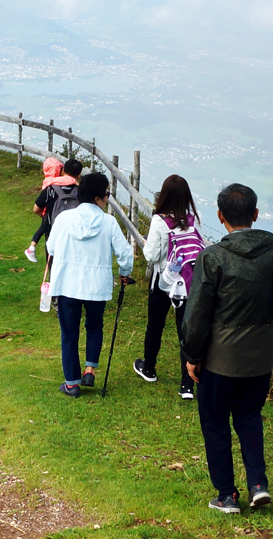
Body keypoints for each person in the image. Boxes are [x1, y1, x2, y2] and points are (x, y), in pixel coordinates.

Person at [181, 182, 273, 514]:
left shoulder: (213, 257)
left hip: (218, 359)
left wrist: (192, 356)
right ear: (255, 214)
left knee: (215, 421)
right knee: (249, 417)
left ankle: (226, 495)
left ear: (220, 216)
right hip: (259, 358)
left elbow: (196, 315)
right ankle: (257, 484)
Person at [45, 170, 134, 397]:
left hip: (67, 284)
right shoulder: (109, 223)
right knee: (94, 327)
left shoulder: (64, 218)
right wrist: (124, 273)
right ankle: (90, 370)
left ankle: (72, 384)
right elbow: (125, 255)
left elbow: (52, 248)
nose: (107, 198)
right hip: (96, 286)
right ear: (97, 198)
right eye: (106, 194)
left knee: (69, 334)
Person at [134, 174, 205, 399]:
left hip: (164, 281)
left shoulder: (159, 221)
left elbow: (152, 255)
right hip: (188, 284)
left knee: (155, 325)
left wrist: (146, 245)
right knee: (186, 332)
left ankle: (149, 369)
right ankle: (187, 385)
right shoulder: (195, 217)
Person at [25, 156, 78, 262]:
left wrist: (43, 215)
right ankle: (31, 248)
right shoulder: (78, 190)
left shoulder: (50, 185)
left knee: (51, 258)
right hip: (72, 230)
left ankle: (32, 248)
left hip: (51, 221)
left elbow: (36, 208)